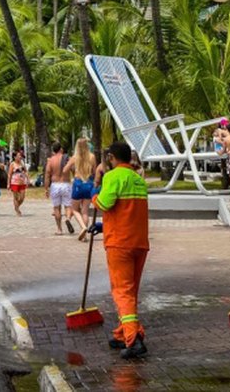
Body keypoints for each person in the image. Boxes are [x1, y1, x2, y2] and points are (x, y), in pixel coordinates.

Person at [93, 141, 150, 360]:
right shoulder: (138, 179)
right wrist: (101, 225)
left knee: (122, 291)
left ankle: (133, 340)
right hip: (139, 243)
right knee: (131, 291)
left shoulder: (113, 177)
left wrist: (94, 196)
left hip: (120, 244)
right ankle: (123, 332)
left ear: (112, 158)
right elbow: (127, 210)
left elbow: (105, 204)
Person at [65, 138, 97, 240]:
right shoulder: (92, 157)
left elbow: (65, 169)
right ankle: (85, 236)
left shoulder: (75, 157)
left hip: (78, 183)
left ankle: (83, 227)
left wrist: (73, 169)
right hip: (89, 183)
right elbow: (95, 171)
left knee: (74, 209)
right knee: (85, 211)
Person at [44, 142, 72, 235]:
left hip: (55, 184)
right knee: (68, 206)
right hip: (65, 183)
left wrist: (46, 189)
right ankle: (68, 219)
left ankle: (59, 229)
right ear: (61, 149)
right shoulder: (67, 158)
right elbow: (73, 169)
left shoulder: (51, 160)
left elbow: (47, 175)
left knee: (56, 208)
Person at [8, 149, 29, 216]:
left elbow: (25, 171)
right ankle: (17, 210)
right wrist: (8, 183)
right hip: (14, 183)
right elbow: (9, 174)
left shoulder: (22, 163)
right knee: (16, 197)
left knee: (22, 197)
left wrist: (28, 179)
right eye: (18, 155)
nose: (20, 157)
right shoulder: (12, 164)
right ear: (15, 157)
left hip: (22, 182)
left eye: (20, 155)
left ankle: (16, 207)